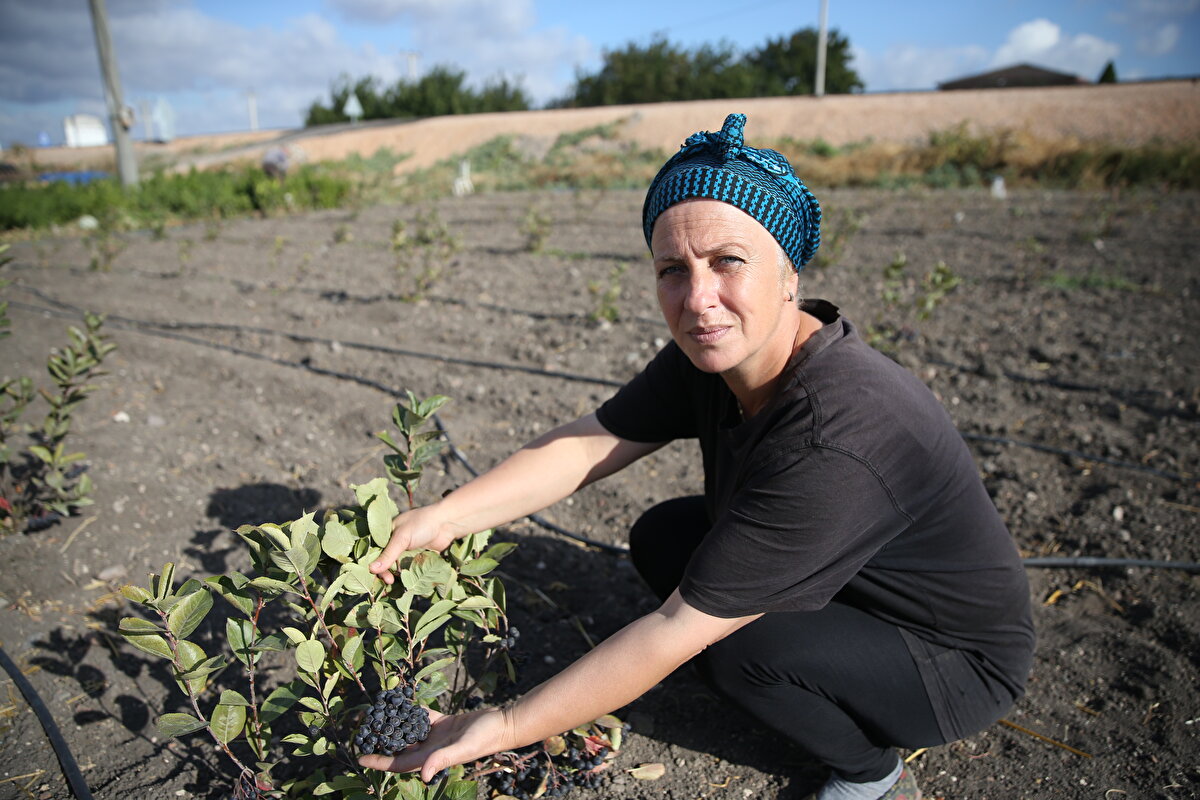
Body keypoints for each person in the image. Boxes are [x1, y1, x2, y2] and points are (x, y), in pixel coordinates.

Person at [361, 113, 1035, 800]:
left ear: (789, 273)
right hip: (851, 584)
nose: (698, 300)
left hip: (949, 663)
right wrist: (446, 516)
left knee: (736, 649)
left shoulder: (839, 431)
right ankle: (798, 661)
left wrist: (504, 724)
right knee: (664, 535)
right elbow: (592, 441)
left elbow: (675, 629)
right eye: (672, 270)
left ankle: (870, 773)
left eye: (728, 261)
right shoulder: (715, 355)